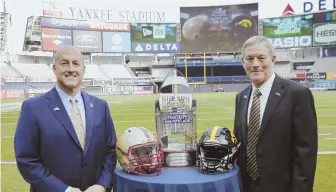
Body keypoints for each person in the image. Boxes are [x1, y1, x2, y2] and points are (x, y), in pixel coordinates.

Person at [14, 46, 117, 192]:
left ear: (83, 69)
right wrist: (64, 190)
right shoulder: (33, 108)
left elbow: (110, 152)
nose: (70, 69)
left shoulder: (101, 106)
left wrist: (102, 185)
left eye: (76, 63)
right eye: (64, 63)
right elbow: (27, 160)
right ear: (54, 69)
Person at [233, 36, 318, 192]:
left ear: (273, 59)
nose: (255, 64)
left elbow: (306, 151)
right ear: (243, 63)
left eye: (261, 58)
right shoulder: (241, 97)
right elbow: (241, 144)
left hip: (281, 186)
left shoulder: (298, 94)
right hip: (246, 186)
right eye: (249, 59)